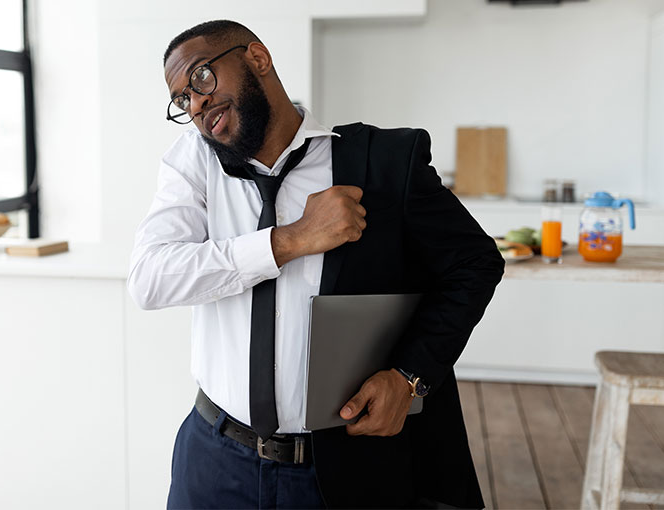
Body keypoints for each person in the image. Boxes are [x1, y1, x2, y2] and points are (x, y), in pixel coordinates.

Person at [127, 19, 504, 510]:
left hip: (338, 470)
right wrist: (291, 240)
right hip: (214, 460)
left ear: (257, 59)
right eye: (182, 101)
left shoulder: (382, 162)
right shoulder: (194, 162)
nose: (195, 105)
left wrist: (409, 377)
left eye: (200, 78)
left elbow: (474, 265)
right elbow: (149, 279)